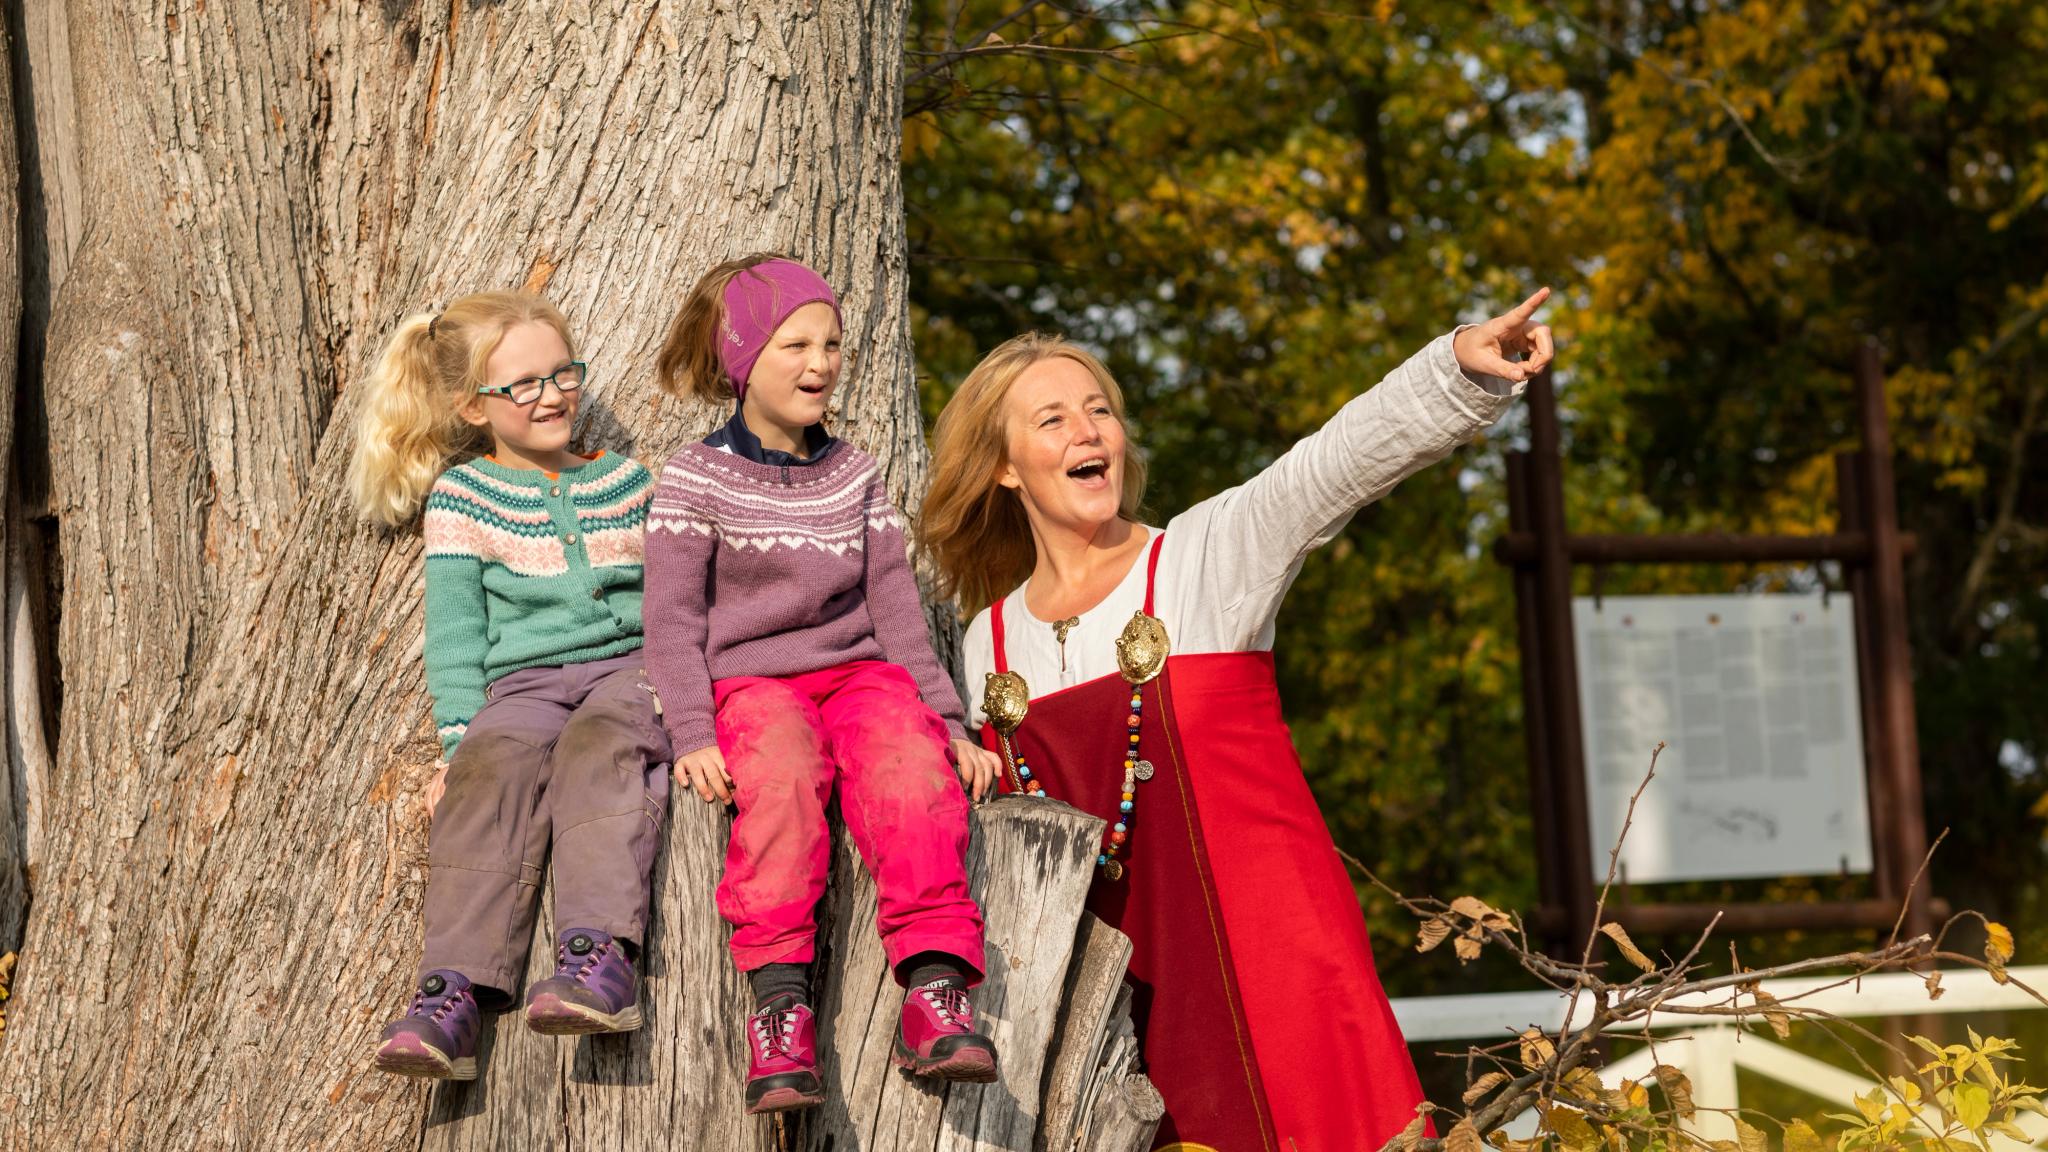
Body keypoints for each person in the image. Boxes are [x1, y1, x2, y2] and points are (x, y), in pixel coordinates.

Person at [923, 290, 1555, 1151]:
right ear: (1003, 466)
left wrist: (1456, 369)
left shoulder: (1203, 557)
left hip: (1273, 964)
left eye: (1100, 410)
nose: (1088, 431)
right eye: (1054, 419)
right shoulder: (985, 646)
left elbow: (1330, 466)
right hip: (1112, 1014)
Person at [642, 255, 1006, 1114]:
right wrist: (692, 731)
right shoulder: (695, 479)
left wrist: (949, 723)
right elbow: (671, 621)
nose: (820, 363)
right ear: (742, 360)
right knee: (779, 780)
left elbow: (898, 613)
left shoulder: (854, 474)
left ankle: (935, 990)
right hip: (752, 684)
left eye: (832, 343)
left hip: (860, 675)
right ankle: (779, 1008)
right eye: (795, 344)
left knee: (910, 775)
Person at [349, 291, 669, 1080]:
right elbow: (457, 638)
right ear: (472, 407)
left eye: (562, 373)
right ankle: (452, 993)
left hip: (628, 672)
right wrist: (459, 746)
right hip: (521, 689)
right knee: (487, 777)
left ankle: (599, 957)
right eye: (523, 384)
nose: (552, 393)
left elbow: (672, 601)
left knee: (602, 751)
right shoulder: (463, 499)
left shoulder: (628, 481)